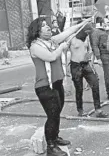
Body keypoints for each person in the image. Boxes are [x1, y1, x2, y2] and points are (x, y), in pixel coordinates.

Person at [27, 17, 91, 156]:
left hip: (56, 83)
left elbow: (68, 32)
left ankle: (55, 137)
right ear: (37, 31)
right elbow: (50, 57)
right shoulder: (35, 46)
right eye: (44, 26)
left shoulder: (52, 41)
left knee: (57, 113)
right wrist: (62, 48)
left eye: (48, 25)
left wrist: (83, 23)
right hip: (45, 86)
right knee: (52, 115)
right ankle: (51, 146)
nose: (48, 27)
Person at [69, 21, 108, 117]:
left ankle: (98, 109)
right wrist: (64, 67)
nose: (87, 33)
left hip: (86, 65)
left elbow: (88, 49)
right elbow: (64, 52)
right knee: (79, 89)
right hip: (76, 66)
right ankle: (80, 110)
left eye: (89, 32)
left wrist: (91, 61)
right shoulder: (71, 38)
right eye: (86, 31)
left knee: (95, 84)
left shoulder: (86, 37)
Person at [91, 18, 109, 100]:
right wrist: (98, 58)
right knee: (107, 75)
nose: (108, 23)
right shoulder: (96, 32)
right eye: (107, 22)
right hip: (104, 56)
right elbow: (95, 45)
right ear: (101, 23)